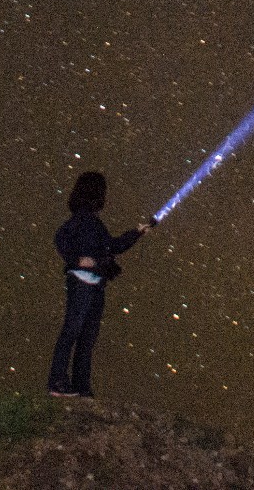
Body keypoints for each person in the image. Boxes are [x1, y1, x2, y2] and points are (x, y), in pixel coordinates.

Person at [46, 170, 152, 398]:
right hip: (82, 282)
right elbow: (61, 238)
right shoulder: (82, 221)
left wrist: (137, 232)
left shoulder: (95, 224)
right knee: (73, 331)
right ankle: (57, 382)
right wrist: (76, 260)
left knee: (87, 336)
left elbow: (113, 246)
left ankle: (80, 387)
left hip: (95, 285)